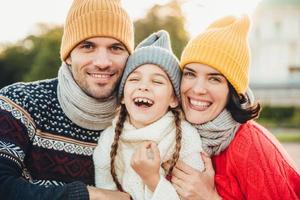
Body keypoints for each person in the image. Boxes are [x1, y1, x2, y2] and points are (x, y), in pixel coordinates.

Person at [0, 0, 134, 199]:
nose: (102, 62)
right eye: (88, 46)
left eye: (116, 48)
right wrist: (86, 195)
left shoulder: (141, 118)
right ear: (68, 56)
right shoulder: (19, 103)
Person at [166, 15, 300, 200]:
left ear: (232, 91)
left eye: (214, 78)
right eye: (190, 74)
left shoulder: (252, 146)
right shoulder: (173, 136)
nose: (197, 89)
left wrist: (209, 197)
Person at [93, 30, 205, 200]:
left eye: (157, 81)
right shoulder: (109, 139)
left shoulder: (185, 138)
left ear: (174, 99)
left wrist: (152, 179)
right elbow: (105, 192)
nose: (143, 87)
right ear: (122, 96)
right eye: (134, 79)